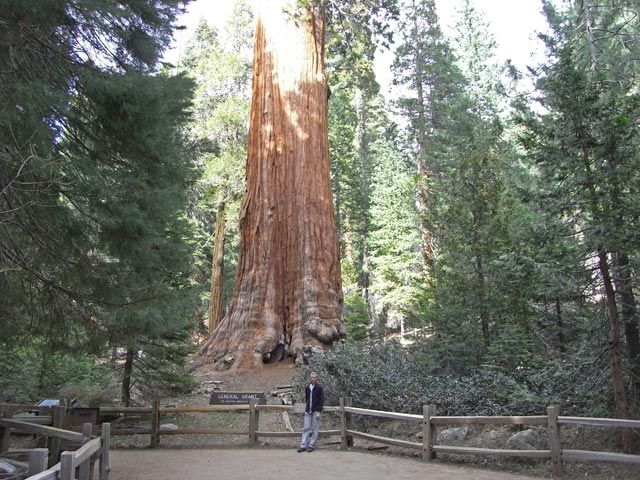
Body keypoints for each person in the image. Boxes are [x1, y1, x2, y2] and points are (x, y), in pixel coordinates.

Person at [297, 372, 324, 452]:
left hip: (316, 411)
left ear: (317, 378)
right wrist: (306, 409)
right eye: (311, 377)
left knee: (315, 428)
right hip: (308, 410)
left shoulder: (319, 388)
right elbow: (307, 399)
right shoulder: (308, 387)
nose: (313, 379)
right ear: (310, 378)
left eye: (314, 377)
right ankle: (303, 445)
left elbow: (321, 400)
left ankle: (311, 445)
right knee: (306, 427)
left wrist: (319, 411)